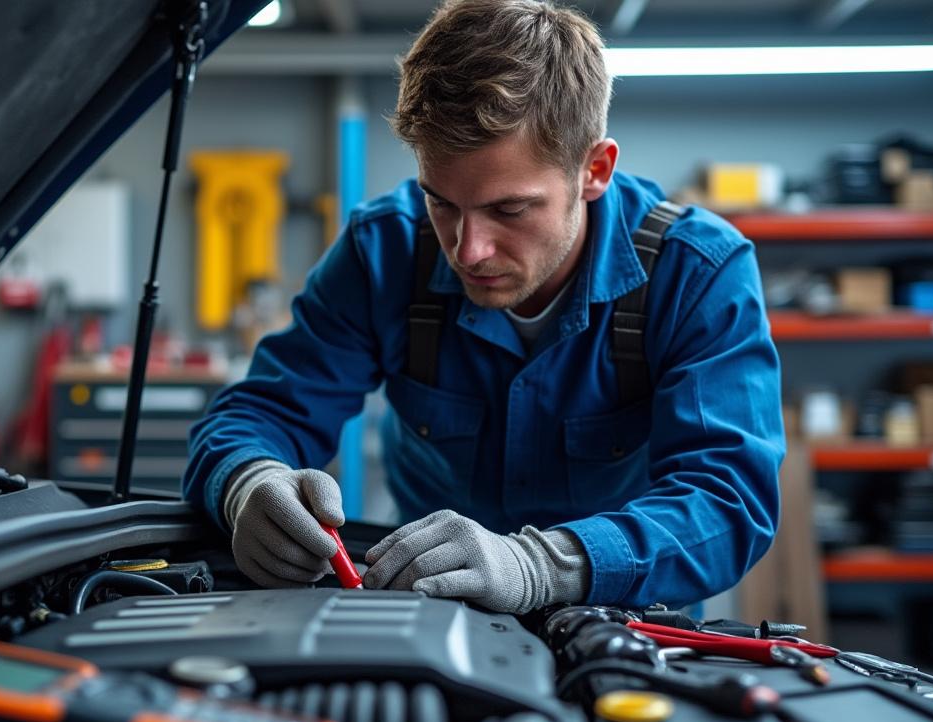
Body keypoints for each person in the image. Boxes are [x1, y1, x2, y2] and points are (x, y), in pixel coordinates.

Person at [183, 0, 784, 612]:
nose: (467, 250)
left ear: (594, 170)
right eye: (441, 202)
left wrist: (544, 566)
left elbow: (728, 500)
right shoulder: (383, 250)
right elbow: (263, 411)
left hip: (625, 630)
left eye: (509, 209)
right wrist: (248, 483)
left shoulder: (696, 272)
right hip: (430, 615)